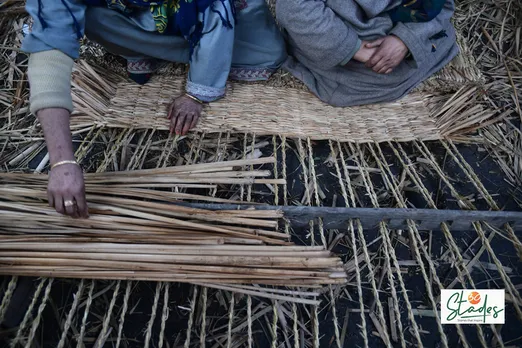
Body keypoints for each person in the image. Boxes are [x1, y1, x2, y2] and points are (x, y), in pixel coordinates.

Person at [22, 0, 286, 218]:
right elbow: (49, 46)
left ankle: (175, 45)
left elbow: (217, 10)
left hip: (202, 11)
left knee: (267, 53)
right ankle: (141, 47)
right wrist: (62, 162)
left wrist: (196, 93)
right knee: (89, 16)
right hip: (131, 14)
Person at [275, 0, 458, 106]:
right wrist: (352, 48)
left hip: (408, 26)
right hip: (354, 41)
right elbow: (294, 7)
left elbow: (442, 6)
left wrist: (406, 39)